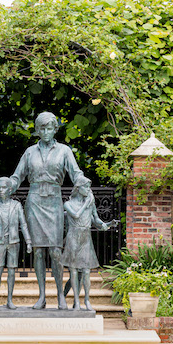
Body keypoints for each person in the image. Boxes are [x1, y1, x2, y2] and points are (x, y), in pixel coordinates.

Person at [10, 111, 85, 310]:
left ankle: (60, 294)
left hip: (53, 201)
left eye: (49, 128)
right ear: (37, 130)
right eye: (41, 128)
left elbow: (75, 173)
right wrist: (8, 185)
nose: (45, 131)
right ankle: (42, 296)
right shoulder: (29, 152)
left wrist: (83, 184)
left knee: (55, 251)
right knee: (38, 252)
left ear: (55, 129)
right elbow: (17, 176)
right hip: (34, 202)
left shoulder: (64, 151)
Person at [61, 177, 116, 311]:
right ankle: (76, 302)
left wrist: (107, 224)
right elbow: (75, 215)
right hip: (73, 238)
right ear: (78, 188)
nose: (88, 189)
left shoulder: (90, 204)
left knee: (86, 272)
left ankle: (86, 300)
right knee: (73, 271)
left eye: (89, 187)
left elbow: (96, 220)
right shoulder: (68, 204)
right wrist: (86, 204)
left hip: (86, 238)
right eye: (86, 187)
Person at [0, 177, 32, 309]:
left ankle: (10, 299)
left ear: (10, 190)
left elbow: (24, 224)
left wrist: (28, 241)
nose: (1, 190)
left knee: (11, 271)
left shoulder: (16, 205)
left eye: (3, 188)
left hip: (14, 242)